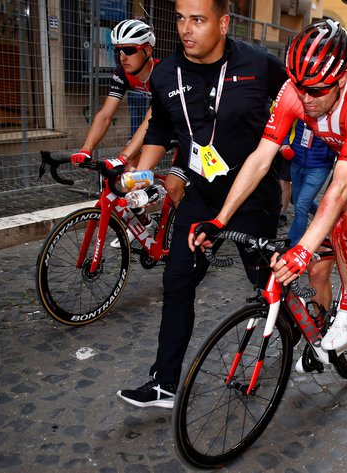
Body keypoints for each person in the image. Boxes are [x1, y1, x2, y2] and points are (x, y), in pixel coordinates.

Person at [190, 19, 347, 355]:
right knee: (318, 269)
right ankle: (320, 331)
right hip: (346, 164)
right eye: (299, 86)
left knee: (334, 225)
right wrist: (220, 219)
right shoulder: (294, 91)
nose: (305, 98)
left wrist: (302, 247)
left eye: (317, 90)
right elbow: (261, 158)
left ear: (342, 81)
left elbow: (340, 188)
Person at [116, 0, 287, 408]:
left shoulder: (259, 65)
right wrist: (139, 172)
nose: (186, 29)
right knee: (176, 284)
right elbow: (160, 126)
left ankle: (285, 342)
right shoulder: (165, 73)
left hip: (250, 200)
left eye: (198, 19)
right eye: (180, 19)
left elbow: (300, 102)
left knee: (263, 283)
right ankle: (165, 383)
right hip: (199, 195)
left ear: (223, 23)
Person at [70, 19, 158, 168]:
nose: (122, 57)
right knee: (128, 174)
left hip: (180, 129)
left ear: (147, 50)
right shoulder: (123, 73)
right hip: (157, 127)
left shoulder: (162, 73)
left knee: (173, 186)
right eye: (118, 50)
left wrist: (123, 157)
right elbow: (105, 115)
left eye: (129, 50)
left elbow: (151, 120)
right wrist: (86, 150)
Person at [281, 119, 335, 246]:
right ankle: (326, 220)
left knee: (301, 206)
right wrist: (285, 143)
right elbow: (285, 124)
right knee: (298, 201)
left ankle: (293, 244)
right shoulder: (300, 108)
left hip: (319, 168)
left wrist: (328, 156)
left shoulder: (332, 116)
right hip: (296, 162)